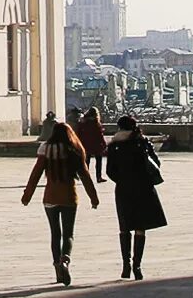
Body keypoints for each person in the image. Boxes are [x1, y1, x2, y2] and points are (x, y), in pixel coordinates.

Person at [22, 117, 99, 286]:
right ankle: (65, 260)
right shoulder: (74, 151)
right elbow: (85, 176)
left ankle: (57, 267)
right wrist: (94, 198)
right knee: (68, 234)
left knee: (55, 234)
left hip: (50, 197)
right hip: (69, 197)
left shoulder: (46, 150)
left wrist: (27, 196)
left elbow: (35, 175)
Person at [103, 114, 167, 281]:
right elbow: (155, 164)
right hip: (143, 188)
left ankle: (126, 265)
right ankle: (137, 265)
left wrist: (123, 180)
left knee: (124, 226)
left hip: (124, 189)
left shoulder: (114, 145)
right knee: (140, 226)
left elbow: (110, 171)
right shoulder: (142, 142)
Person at [78, 104, 109, 183]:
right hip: (96, 144)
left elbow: (79, 134)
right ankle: (98, 177)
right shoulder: (96, 123)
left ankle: (86, 177)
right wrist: (104, 144)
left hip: (86, 144)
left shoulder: (83, 122)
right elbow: (100, 135)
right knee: (98, 161)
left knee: (86, 161)